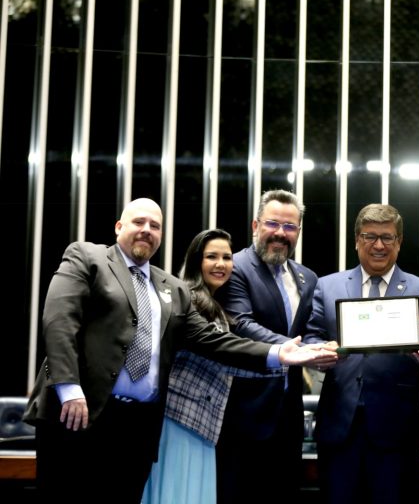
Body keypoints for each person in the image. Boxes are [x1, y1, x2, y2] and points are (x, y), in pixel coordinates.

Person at [22, 198, 336, 504]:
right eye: (139, 222)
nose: (147, 230)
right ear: (119, 226)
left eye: (155, 226)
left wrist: (279, 354)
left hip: (138, 428)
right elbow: (59, 320)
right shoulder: (87, 257)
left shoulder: (171, 288)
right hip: (79, 413)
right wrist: (69, 388)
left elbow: (215, 341)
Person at [304, 203, 419, 504]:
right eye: (370, 236)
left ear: (399, 242)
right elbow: (311, 337)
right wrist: (320, 352)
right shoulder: (327, 286)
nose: (378, 245)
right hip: (339, 428)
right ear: (357, 240)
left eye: (387, 237)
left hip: (397, 432)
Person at [216, 189, 330, 502]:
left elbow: (311, 332)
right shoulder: (235, 267)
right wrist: (296, 351)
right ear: (256, 225)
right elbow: (242, 324)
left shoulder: (308, 278)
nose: (280, 233)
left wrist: (323, 348)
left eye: (290, 226)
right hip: (243, 413)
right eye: (273, 224)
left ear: (298, 232)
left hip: (288, 416)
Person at [142, 229, 272, 502]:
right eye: (211, 256)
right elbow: (223, 355)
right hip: (179, 418)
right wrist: (282, 358)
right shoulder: (189, 299)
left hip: (199, 422)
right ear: (196, 260)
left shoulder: (212, 302)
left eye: (227, 257)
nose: (220, 264)